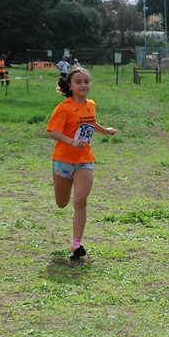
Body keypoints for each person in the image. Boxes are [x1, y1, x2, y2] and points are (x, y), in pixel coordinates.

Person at [46, 67, 117, 260]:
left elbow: (90, 122)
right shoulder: (64, 108)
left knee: (80, 200)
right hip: (62, 161)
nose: (83, 85)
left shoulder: (91, 105)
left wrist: (106, 130)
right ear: (70, 85)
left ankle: (76, 244)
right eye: (78, 82)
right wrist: (71, 142)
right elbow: (52, 132)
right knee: (62, 203)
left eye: (86, 81)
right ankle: (74, 239)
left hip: (84, 161)